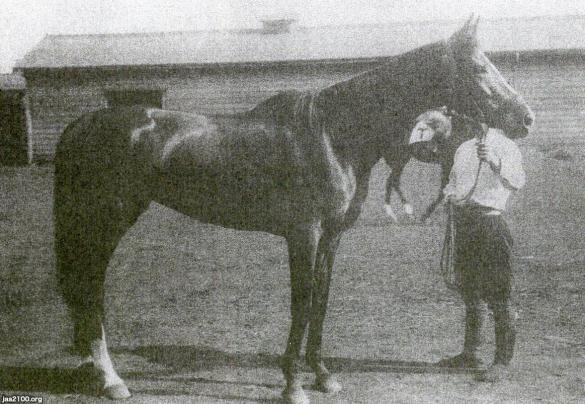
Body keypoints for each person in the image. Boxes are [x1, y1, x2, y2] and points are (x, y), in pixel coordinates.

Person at [438, 121, 526, 383]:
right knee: (470, 291)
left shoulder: (506, 146)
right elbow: (453, 183)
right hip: (465, 224)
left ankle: (501, 362)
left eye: (476, 117)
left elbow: (517, 181)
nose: (469, 121)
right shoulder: (463, 148)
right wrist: (449, 196)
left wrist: (495, 162)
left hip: (491, 225)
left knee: (499, 294)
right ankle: (471, 354)